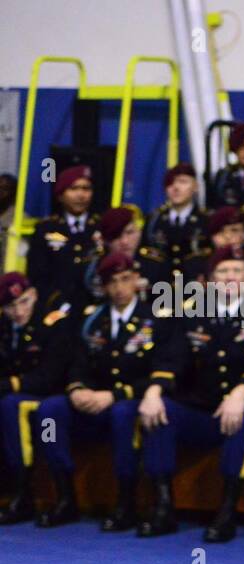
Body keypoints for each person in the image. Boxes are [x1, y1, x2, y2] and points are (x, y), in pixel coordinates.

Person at [137, 247, 244, 540]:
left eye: (237, 271)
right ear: (209, 281)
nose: (231, 277)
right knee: (160, 411)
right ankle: (164, 507)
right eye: (223, 271)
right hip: (200, 407)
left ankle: (227, 511)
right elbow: (173, 357)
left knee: (242, 416)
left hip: (238, 406)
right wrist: (153, 391)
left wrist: (240, 393)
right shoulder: (193, 311)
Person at [34, 254, 162, 529]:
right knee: (49, 412)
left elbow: (161, 373)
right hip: (93, 402)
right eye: (112, 282)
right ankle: (64, 494)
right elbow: (78, 363)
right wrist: (77, 388)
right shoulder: (91, 320)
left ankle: (126, 502)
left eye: (125, 279)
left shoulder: (154, 318)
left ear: (136, 280)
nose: (119, 288)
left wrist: (114, 395)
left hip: (128, 401)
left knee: (122, 414)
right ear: (103, 287)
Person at [0, 274, 73, 524]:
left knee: (18, 409)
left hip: (56, 397)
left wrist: (10, 384)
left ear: (34, 295)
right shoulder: (4, 327)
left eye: (23, 302)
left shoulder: (52, 323)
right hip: (22, 397)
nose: (18, 311)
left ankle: (57, 495)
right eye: (11, 307)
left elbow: (50, 376)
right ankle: (15, 490)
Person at [26, 166, 99, 309]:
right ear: (60, 195)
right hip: (55, 307)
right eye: (73, 188)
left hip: (91, 306)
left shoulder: (100, 227)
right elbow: (36, 276)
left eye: (86, 188)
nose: (81, 195)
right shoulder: (45, 229)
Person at [144, 163, 207, 272]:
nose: (176, 187)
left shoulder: (206, 220)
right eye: (170, 183)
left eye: (183, 182)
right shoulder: (154, 220)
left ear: (196, 186)